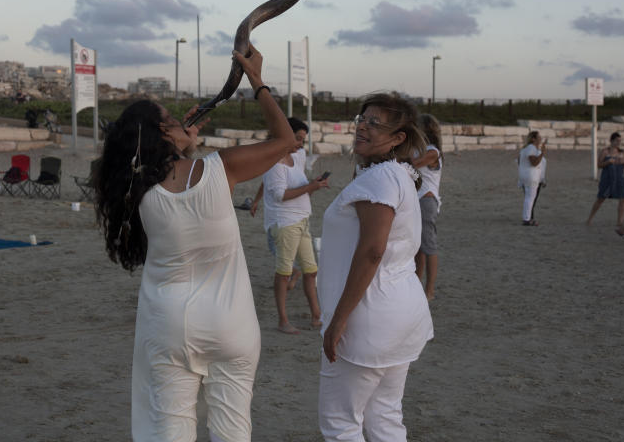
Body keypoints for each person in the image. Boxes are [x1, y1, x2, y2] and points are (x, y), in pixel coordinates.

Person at [94, 45, 295, 442]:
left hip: (169, 324)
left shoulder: (134, 190)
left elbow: (174, 182)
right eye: (171, 118)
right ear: (162, 133)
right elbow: (285, 139)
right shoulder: (222, 169)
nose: (181, 119)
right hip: (231, 324)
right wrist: (257, 81)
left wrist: (180, 145)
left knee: (169, 429)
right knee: (233, 430)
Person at [318, 94, 434, 441]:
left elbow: (372, 251)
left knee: (341, 423)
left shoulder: (381, 179)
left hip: (370, 317)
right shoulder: (398, 174)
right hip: (401, 311)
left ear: (399, 138)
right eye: (362, 119)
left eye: (375, 123)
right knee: (384, 415)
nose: (362, 127)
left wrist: (339, 319)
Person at [259, 117, 327, 334]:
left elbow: (298, 184)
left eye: (302, 140)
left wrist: (312, 183)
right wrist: (311, 188)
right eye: (297, 139)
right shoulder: (274, 163)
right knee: (284, 273)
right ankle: (283, 320)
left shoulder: (296, 157)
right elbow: (280, 195)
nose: (300, 144)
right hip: (285, 222)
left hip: (302, 220)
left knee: (311, 271)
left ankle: (317, 316)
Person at [412, 113, 442, 301]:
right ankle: (416, 283)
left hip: (426, 200)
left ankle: (429, 289)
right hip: (416, 200)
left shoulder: (432, 151)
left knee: (428, 245)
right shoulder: (419, 149)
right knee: (418, 246)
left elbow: (412, 165)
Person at [586, 132, 624, 227]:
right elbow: (599, 165)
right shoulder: (605, 151)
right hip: (607, 178)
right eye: (617, 140)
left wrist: (623, 162)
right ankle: (590, 218)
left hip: (619, 178)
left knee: (623, 199)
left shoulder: (622, 152)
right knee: (601, 199)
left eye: (620, 141)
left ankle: (620, 221)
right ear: (611, 141)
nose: (618, 142)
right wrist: (608, 161)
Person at [517, 130, 547, 226]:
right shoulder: (531, 148)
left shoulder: (525, 149)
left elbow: (519, 162)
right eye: (539, 137)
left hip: (526, 176)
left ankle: (529, 217)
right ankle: (527, 219)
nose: (540, 138)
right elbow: (534, 163)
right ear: (533, 139)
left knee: (529, 198)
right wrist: (542, 153)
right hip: (531, 176)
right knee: (530, 198)